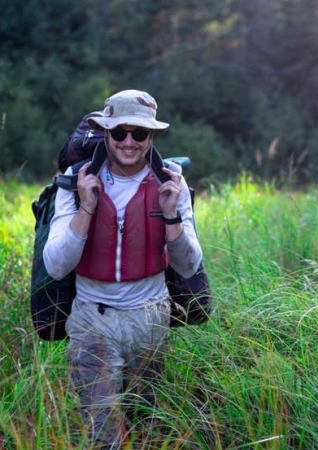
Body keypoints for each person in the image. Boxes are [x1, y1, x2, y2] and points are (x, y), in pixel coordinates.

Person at [43, 89, 203, 448]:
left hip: (151, 317)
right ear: (105, 133)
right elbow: (55, 266)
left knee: (145, 423)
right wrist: (85, 208)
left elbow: (190, 265)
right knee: (102, 435)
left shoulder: (171, 182)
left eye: (139, 133)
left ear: (152, 136)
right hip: (92, 319)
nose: (128, 142)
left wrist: (172, 214)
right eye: (119, 133)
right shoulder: (76, 180)